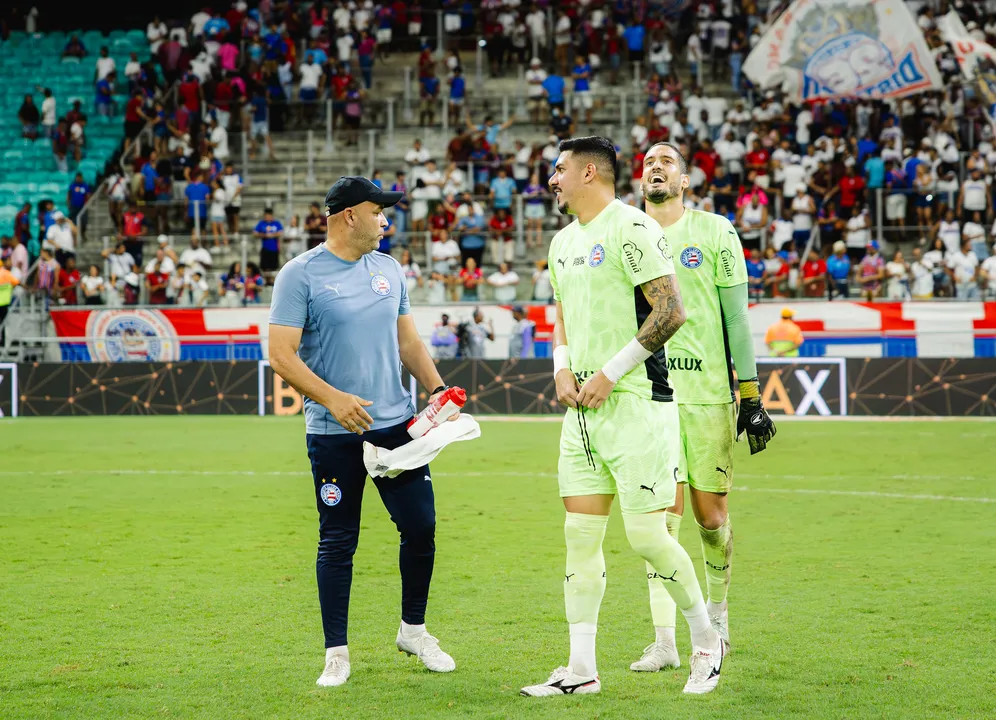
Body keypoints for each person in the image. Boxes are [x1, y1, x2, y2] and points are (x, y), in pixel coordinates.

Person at [520, 137, 725, 699]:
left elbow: (672, 311)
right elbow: (561, 314)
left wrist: (610, 372)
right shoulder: (563, 241)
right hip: (583, 415)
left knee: (647, 536)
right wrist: (561, 366)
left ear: (589, 172)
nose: (552, 180)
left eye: (559, 169)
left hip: (637, 405)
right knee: (579, 538)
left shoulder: (632, 227)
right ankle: (580, 669)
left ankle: (706, 642)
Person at [268, 177, 456, 689]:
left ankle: (413, 632)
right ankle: (336, 653)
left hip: (397, 426)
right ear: (349, 215)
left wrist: (439, 389)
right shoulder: (299, 274)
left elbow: (408, 343)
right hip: (334, 431)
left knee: (421, 527)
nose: (385, 220)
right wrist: (333, 398)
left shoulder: (389, 269)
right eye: (378, 211)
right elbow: (280, 355)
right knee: (337, 540)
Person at [637, 141, 774, 672]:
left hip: (707, 394)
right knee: (659, 522)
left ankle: (718, 616)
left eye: (667, 161)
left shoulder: (716, 231)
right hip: (650, 395)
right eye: (648, 162)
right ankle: (665, 640)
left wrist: (751, 394)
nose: (656, 167)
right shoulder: (627, 232)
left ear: (685, 181)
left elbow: (736, 318)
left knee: (710, 517)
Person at [255, 208, 284, 273]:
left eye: (269, 215)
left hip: (274, 249)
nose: (267, 217)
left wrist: (272, 235)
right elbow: (255, 233)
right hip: (265, 249)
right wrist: (264, 235)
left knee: (274, 268)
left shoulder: (276, 223)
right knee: (265, 268)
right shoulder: (261, 223)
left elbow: (281, 232)